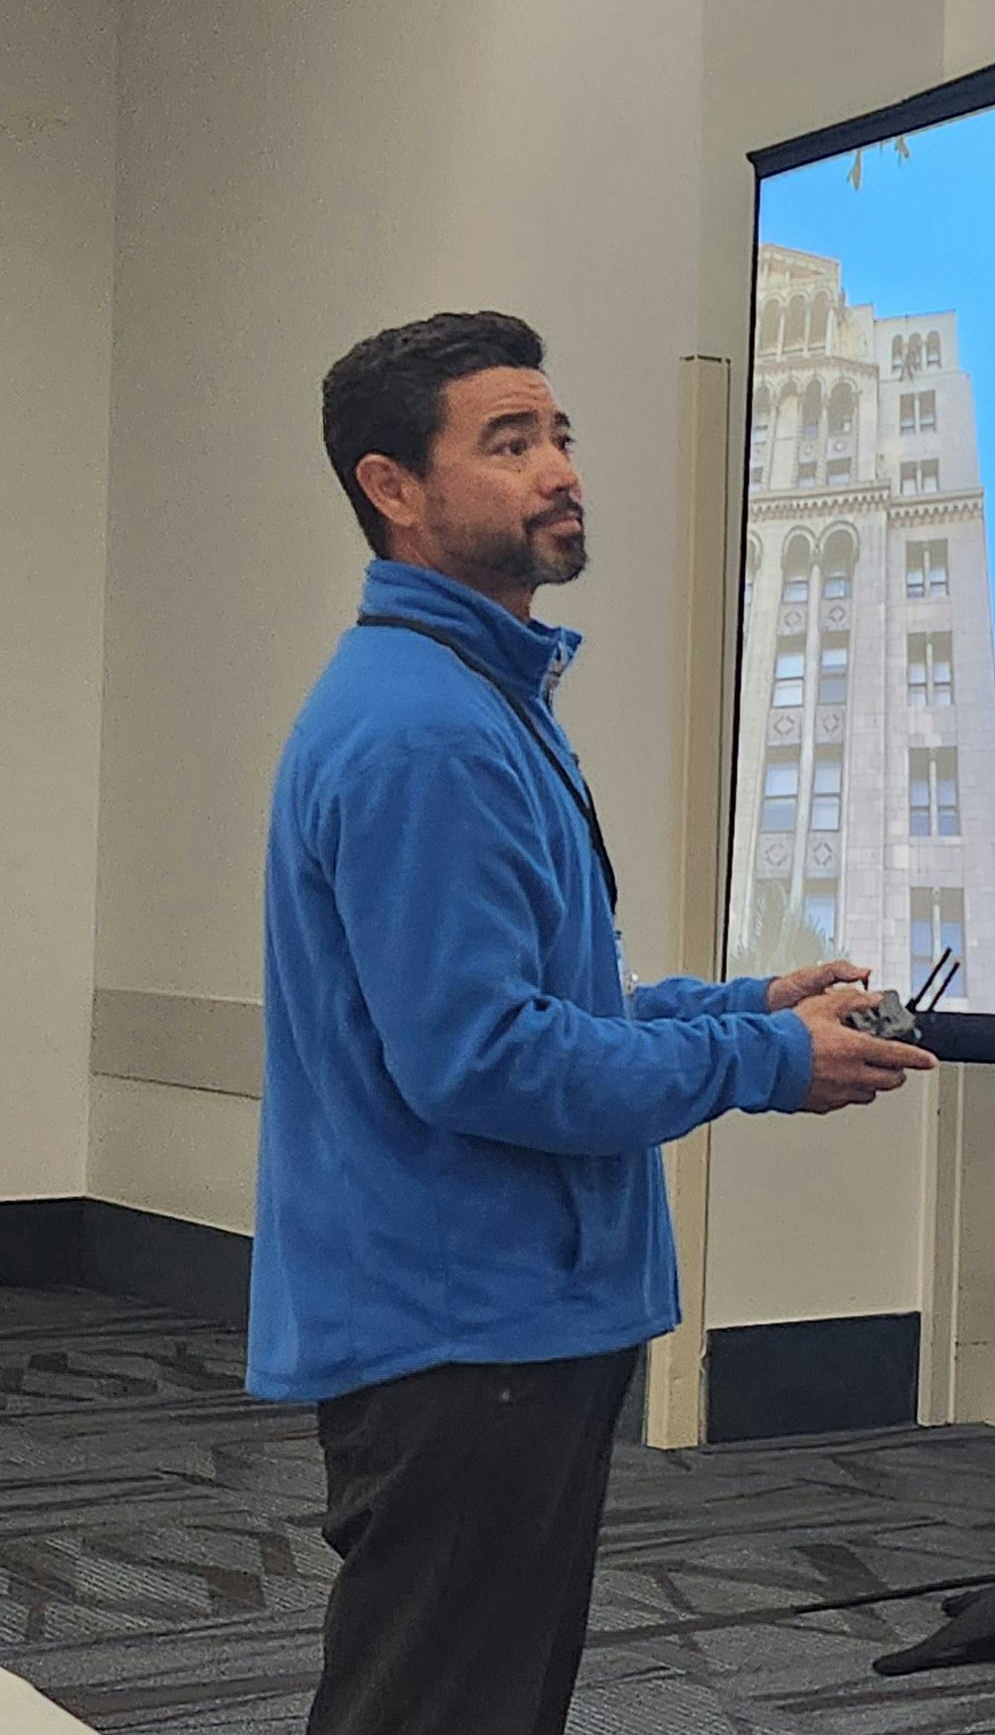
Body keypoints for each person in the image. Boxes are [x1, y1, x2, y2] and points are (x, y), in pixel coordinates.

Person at [253, 310, 937, 1735]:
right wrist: (764, 1061)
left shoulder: (469, 696)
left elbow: (532, 1006)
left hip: (488, 1316)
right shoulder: (426, 731)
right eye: (509, 444)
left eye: (558, 434)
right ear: (393, 486)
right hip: (465, 1329)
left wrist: (746, 1004)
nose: (560, 468)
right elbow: (483, 1060)